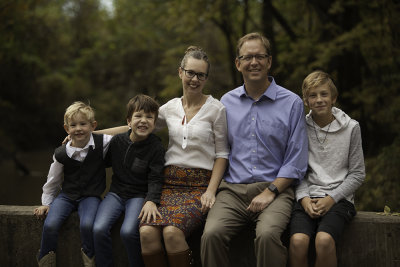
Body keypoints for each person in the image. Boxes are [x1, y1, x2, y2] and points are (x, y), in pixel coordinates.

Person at [200, 32, 309, 267]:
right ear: (238, 64)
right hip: (232, 191)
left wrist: (271, 191)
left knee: (268, 236)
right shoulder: (225, 103)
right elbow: (218, 150)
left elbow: (297, 160)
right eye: (247, 57)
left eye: (260, 56)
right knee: (211, 235)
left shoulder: (292, 103)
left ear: (269, 62)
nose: (254, 62)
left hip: (275, 190)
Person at [139, 46, 229, 267]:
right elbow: (137, 125)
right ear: (180, 72)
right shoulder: (170, 108)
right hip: (168, 184)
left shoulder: (217, 109)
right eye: (190, 73)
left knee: (171, 232)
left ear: (206, 78)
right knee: (146, 233)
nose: (195, 79)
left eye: (201, 75)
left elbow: (222, 154)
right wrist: (95, 134)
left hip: (199, 187)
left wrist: (211, 191)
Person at [289, 70, 365, 267]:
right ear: (306, 101)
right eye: (312, 95)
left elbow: (357, 174)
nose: (319, 100)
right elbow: (296, 169)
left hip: (339, 199)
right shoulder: (299, 127)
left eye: (324, 94)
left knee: (323, 241)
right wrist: (304, 198)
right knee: (298, 242)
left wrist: (331, 199)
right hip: (307, 196)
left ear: (334, 98)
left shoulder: (351, 127)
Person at [34, 101, 112, 267]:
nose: (78, 129)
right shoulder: (61, 153)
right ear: (66, 129)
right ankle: (45, 260)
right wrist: (46, 204)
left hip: (91, 196)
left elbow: (127, 131)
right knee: (51, 224)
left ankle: (89, 259)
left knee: (87, 224)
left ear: (93, 125)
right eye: (73, 125)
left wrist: (96, 132)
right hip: (67, 196)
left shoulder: (103, 142)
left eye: (83, 124)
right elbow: (52, 181)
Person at [92, 94, 165, 267]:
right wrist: (76, 143)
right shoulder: (117, 141)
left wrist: (151, 201)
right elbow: (100, 162)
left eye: (149, 117)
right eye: (138, 116)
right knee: (99, 229)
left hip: (139, 196)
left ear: (155, 124)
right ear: (128, 121)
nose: (143, 121)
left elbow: (156, 178)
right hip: (116, 194)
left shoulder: (156, 148)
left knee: (128, 232)